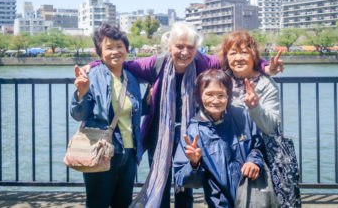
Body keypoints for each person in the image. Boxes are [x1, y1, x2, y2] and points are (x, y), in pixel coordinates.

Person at [84, 23, 283, 208]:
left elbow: (231, 60)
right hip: (159, 133)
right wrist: (93, 65)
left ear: (196, 49)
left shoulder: (203, 63)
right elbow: (121, 62)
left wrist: (266, 67)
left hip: (192, 131)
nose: (185, 52)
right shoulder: (157, 63)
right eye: (179, 46)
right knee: (160, 182)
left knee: (185, 185)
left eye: (190, 47)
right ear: (169, 46)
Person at [71, 23, 142, 208]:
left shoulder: (131, 78)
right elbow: (78, 115)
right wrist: (81, 93)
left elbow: (135, 112)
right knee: (98, 203)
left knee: (123, 203)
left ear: (126, 49)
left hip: (129, 151)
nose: (115, 51)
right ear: (99, 52)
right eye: (109, 47)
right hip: (101, 150)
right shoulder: (92, 76)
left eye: (120, 46)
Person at [173, 69, 264, 208]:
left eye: (221, 95)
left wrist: (254, 161)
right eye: (209, 94)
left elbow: (258, 145)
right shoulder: (193, 131)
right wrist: (194, 164)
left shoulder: (242, 116)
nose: (215, 101)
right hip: (220, 202)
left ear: (228, 96)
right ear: (199, 96)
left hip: (252, 196)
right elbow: (184, 180)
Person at [219, 30, 281, 134]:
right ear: (226, 58)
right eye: (233, 53)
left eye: (244, 52)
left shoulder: (267, 85)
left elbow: (272, 127)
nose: (238, 58)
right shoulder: (220, 81)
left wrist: (255, 107)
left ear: (254, 55)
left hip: (256, 147)